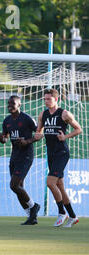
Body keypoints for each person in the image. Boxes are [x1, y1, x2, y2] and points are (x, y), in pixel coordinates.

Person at [33, 88, 82, 227]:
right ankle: (72, 216)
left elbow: (78, 129)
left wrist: (64, 137)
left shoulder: (64, 113)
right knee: (60, 185)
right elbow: (39, 131)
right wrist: (37, 135)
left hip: (62, 153)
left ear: (56, 99)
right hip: (51, 153)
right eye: (45, 98)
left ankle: (62, 212)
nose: (46, 101)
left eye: (49, 98)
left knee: (50, 182)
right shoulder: (43, 114)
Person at [0, 95, 40, 225]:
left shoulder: (27, 119)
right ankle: (31, 217)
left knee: (14, 185)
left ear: (19, 105)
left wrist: (27, 141)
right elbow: (5, 138)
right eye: (8, 103)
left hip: (26, 156)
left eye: (13, 103)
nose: (10, 105)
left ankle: (34, 207)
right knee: (18, 187)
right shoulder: (7, 121)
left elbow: (39, 134)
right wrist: (1, 139)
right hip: (14, 156)